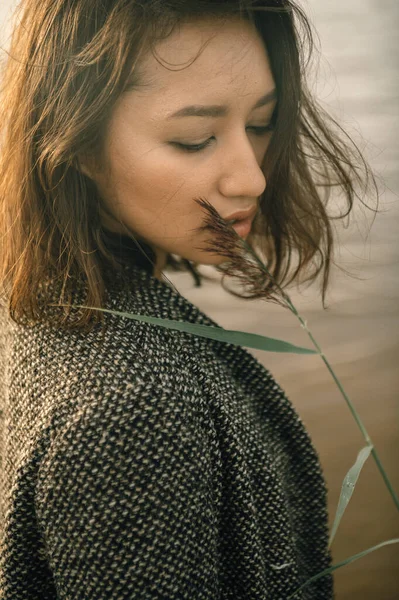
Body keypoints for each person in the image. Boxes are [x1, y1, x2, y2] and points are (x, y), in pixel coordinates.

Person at [0, 1, 378, 598]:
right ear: (74, 141)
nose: (251, 176)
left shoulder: (31, 297)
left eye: (260, 124)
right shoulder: (134, 410)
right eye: (195, 139)